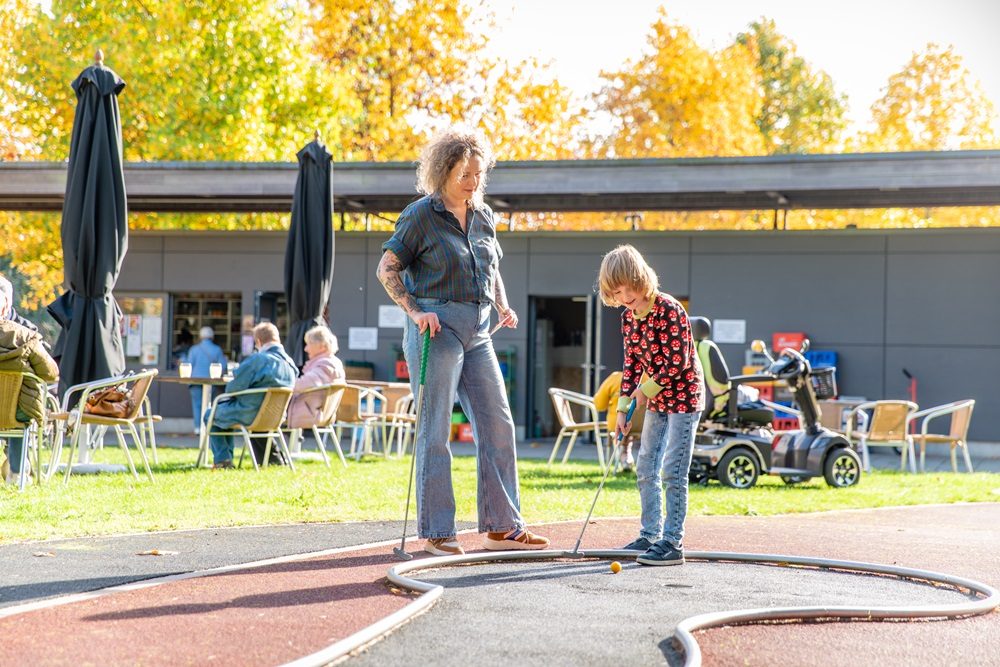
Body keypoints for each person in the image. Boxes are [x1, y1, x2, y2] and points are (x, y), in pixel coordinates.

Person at [376, 126, 549, 556]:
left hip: (480, 330)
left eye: (478, 173)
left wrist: (502, 304)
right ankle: (438, 531)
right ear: (442, 171)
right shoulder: (420, 215)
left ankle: (503, 526)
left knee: (498, 423)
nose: (472, 182)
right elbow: (387, 269)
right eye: (464, 174)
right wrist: (416, 312)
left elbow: (491, 267)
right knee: (436, 429)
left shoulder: (484, 215)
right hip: (437, 329)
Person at [597, 244, 704, 566]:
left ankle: (673, 542)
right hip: (657, 401)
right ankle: (650, 534)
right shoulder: (630, 319)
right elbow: (631, 365)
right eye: (616, 292)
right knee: (646, 466)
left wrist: (645, 391)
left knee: (672, 469)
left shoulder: (669, 309)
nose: (624, 296)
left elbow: (677, 361)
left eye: (628, 287)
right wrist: (622, 409)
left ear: (640, 278)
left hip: (684, 399)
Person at [204, 322, 297, 468]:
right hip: (275, 416)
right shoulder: (290, 364)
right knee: (222, 413)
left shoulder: (258, 360)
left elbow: (233, 388)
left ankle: (223, 461)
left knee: (211, 414)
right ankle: (225, 460)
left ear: (258, 341)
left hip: (249, 413)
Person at [0, 277, 58, 484]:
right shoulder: (28, 335)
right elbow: (51, 373)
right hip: (17, 408)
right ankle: (17, 474)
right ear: (7, 303)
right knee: (18, 415)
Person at [286, 325, 345, 429]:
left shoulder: (325, 365)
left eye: (309, 344)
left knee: (266, 414)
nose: (305, 349)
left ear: (322, 346)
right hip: (314, 411)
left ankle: (270, 445)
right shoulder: (333, 363)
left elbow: (300, 385)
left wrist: (280, 381)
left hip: (308, 413)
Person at [593, 371, 645, 473]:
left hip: (617, 424)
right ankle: (626, 454)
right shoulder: (648, 378)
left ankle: (623, 454)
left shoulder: (615, 378)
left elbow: (599, 405)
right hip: (642, 425)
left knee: (623, 430)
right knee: (629, 433)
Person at [186, 326, 228, 433]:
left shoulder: (194, 349)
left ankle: (197, 428)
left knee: (197, 404)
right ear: (212, 337)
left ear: (200, 337)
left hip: (195, 381)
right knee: (209, 404)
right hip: (211, 381)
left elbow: (188, 365)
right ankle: (207, 426)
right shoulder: (217, 349)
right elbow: (222, 366)